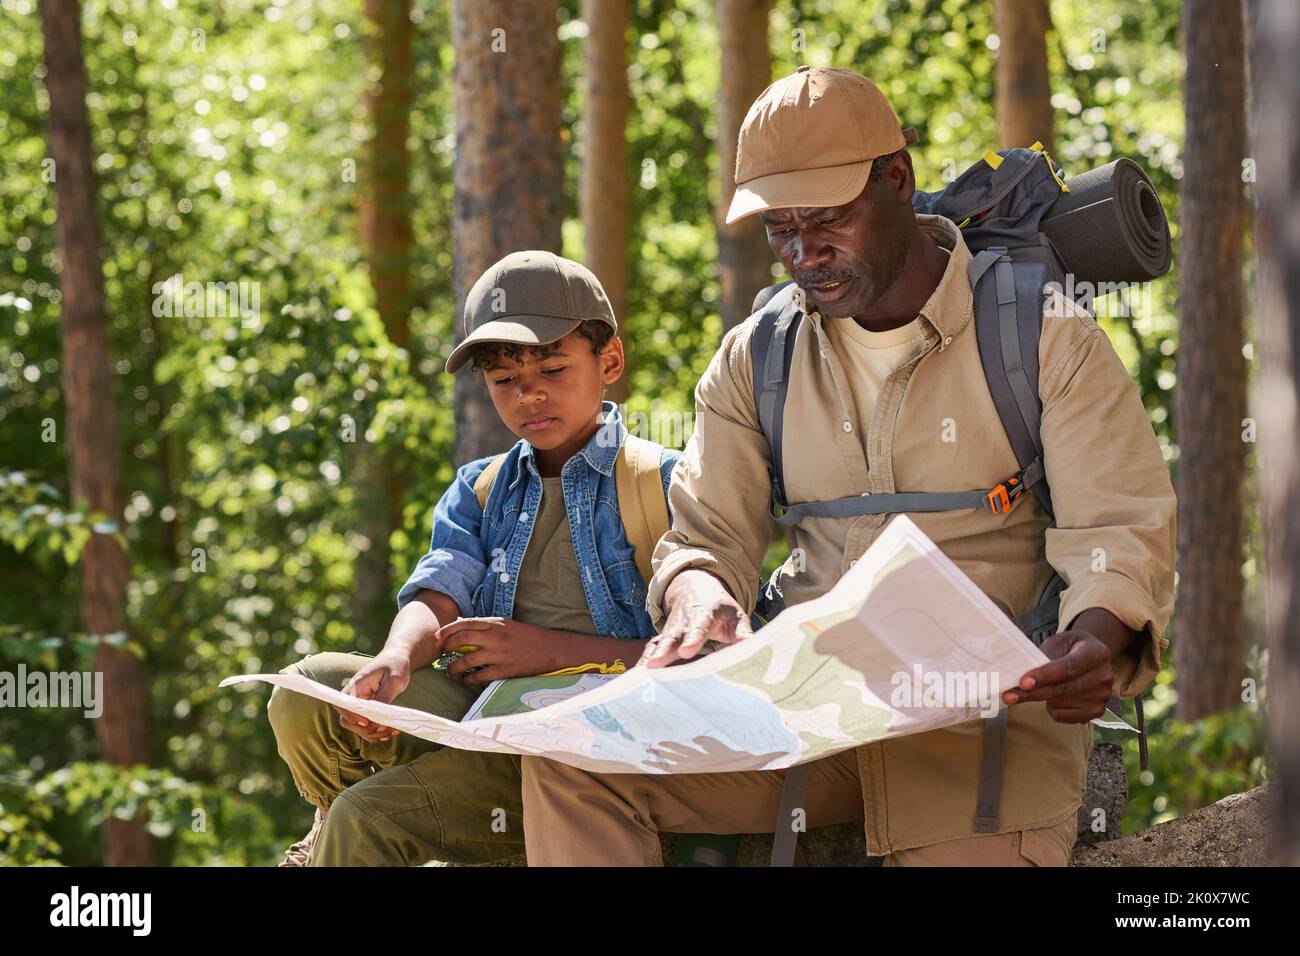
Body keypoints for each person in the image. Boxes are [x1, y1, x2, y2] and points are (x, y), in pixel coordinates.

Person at [520, 67, 1176, 867]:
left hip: (983, 733)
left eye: (829, 219)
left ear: (896, 179)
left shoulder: (1042, 337)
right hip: (803, 715)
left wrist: (1094, 641)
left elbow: (1117, 528)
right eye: (779, 228)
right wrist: (701, 596)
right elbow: (705, 533)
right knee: (573, 763)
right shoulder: (756, 356)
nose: (804, 252)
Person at [267, 250, 679, 865]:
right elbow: (440, 589)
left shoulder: (665, 484)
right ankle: (336, 832)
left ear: (610, 360)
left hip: (586, 752)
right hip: (482, 717)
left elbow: (715, 652)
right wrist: (397, 659)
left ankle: (362, 828)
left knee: (369, 818)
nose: (529, 394)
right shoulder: (483, 488)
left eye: (553, 368)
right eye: (504, 380)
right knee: (309, 690)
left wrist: (550, 652)